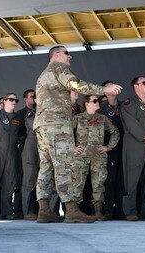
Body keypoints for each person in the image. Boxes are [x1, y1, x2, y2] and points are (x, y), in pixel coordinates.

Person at [34, 45, 122, 223]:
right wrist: (104, 90)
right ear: (56, 55)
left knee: (46, 166)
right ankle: (72, 210)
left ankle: (44, 210)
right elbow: (76, 84)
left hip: (42, 125)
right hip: (57, 125)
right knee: (65, 165)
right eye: (67, 53)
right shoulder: (59, 67)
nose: (70, 57)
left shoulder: (43, 74)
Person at [73, 95, 119, 221]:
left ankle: (98, 212)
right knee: (78, 183)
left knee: (98, 184)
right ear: (87, 104)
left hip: (98, 156)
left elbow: (115, 132)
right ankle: (74, 211)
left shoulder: (103, 119)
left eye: (98, 101)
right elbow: (66, 134)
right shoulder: (77, 118)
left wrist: (108, 147)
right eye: (94, 101)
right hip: (80, 157)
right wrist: (72, 147)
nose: (97, 103)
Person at [121, 76, 145, 221]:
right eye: (144, 83)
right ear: (136, 86)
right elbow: (132, 124)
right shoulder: (128, 103)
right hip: (135, 144)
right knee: (132, 178)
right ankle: (130, 211)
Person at [98, 80, 125, 220]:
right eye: (109, 87)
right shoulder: (101, 108)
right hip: (108, 148)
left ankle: (119, 210)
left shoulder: (124, 106)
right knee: (109, 179)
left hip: (123, 147)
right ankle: (108, 210)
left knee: (121, 179)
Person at [17, 89, 38, 220]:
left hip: (40, 149)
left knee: (39, 181)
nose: (34, 99)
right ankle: (27, 210)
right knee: (28, 180)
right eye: (32, 97)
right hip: (28, 148)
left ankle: (38, 209)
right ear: (25, 99)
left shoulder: (40, 112)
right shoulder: (22, 113)